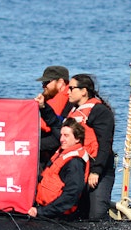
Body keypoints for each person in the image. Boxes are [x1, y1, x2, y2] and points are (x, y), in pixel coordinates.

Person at [64, 74, 116, 220]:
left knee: (97, 214)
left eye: (71, 88)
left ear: (84, 91)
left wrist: (96, 171)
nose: (67, 92)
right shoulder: (72, 111)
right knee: (77, 212)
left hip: (99, 170)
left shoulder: (100, 112)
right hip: (78, 169)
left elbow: (105, 143)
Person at [27, 119, 90, 219]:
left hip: (60, 216)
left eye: (66, 136)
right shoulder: (61, 154)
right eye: (61, 135)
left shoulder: (75, 163)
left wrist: (41, 212)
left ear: (77, 139)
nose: (61, 139)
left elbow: (71, 195)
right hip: (44, 208)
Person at [35, 65, 70, 166]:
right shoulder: (49, 100)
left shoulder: (69, 103)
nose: (43, 86)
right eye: (43, 83)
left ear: (60, 83)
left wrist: (32, 145)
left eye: (47, 82)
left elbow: (58, 136)